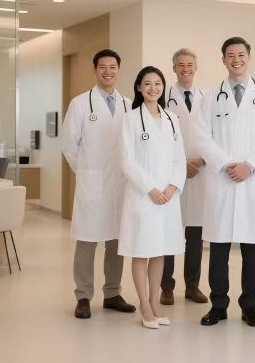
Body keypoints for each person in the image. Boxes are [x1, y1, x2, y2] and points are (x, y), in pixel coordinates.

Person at [195, 37, 255, 327]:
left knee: (252, 249)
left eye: (241, 54)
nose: (236, 60)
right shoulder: (210, 96)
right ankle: (218, 305)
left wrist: (250, 165)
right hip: (221, 180)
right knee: (219, 248)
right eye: (230, 55)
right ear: (223, 60)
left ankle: (250, 306)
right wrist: (225, 163)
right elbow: (201, 136)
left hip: (252, 181)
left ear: (249, 57)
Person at [62, 49, 136, 319]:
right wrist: (87, 172)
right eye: (103, 67)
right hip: (92, 184)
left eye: (113, 67)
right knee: (87, 241)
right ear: (95, 70)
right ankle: (83, 296)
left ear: (119, 70)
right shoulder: (81, 104)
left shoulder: (129, 105)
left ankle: (113, 293)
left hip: (120, 184)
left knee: (116, 241)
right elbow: (69, 146)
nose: (108, 71)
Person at [118, 66, 186, 329]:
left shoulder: (172, 118)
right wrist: (150, 188)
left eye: (157, 83)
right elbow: (126, 160)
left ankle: (154, 303)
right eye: (147, 83)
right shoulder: (131, 119)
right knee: (141, 250)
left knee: (160, 251)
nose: (153, 88)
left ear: (163, 87)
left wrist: (172, 187)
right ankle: (144, 306)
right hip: (143, 196)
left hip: (168, 198)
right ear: (138, 87)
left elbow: (179, 158)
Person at [161, 48, 208, 306]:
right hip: (172, 174)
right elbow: (159, 138)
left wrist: (200, 160)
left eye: (190, 64)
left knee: (195, 234)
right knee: (170, 230)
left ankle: (192, 286)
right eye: (181, 65)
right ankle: (166, 287)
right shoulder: (163, 98)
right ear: (174, 68)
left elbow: (214, 135)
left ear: (196, 67)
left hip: (200, 172)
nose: (185, 69)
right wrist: (180, 165)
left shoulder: (207, 98)